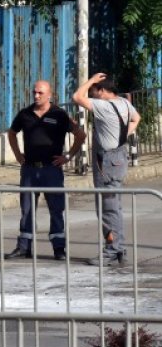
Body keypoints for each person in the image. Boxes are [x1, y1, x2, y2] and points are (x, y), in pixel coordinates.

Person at [4, 80, 87, 260]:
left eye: (40, 93)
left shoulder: (59, 114)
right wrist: (18, 154)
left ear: (49, 95)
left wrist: (68, 156)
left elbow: (81, 135)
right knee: (26, 210)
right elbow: (11, 133)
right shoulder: (25, 114)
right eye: (34, 92)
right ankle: (24, 247)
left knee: (56, 209)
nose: (36, 96)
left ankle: (59, 249)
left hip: (51, 170)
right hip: (30, 170)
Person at [72, 73, 140, 265]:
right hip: (119, 156)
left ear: (102, 90)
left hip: (107, 162)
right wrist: (121, 136)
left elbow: (77, 97)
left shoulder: (103, 105)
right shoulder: (124, 103)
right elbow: (137, 118)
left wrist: (91, 80)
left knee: (107, 208)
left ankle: (112, 249)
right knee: (115, 206)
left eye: (94, 91)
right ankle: (119, 248)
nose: (92, 94)